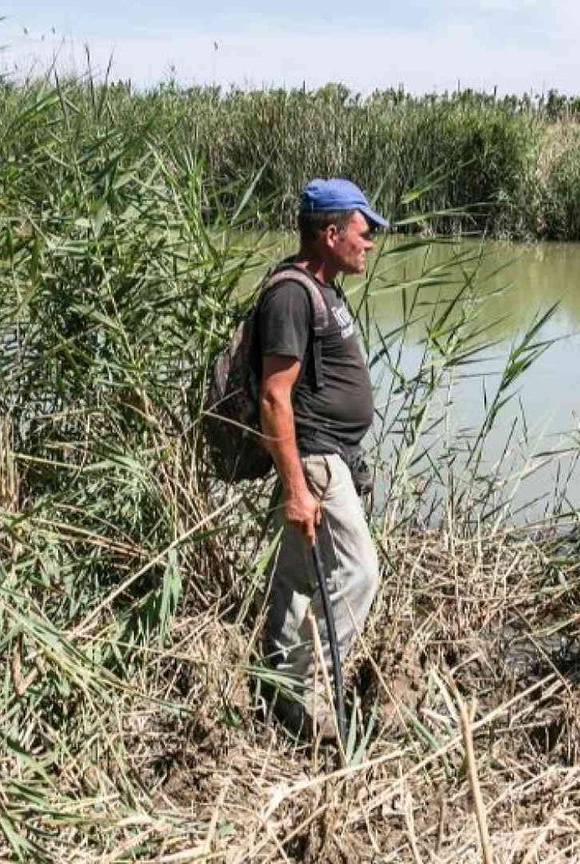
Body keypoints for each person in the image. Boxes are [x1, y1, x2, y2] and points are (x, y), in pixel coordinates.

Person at [254, 178, 386, 740]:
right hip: (315, 462)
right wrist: (295, 488)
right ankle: (308, 697)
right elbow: (273, 396)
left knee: (295, 583)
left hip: (330, 461)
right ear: (331, 233)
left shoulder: (322, 288)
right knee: (358, 573)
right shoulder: (291, 294)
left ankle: (274, 686)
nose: (370, 242)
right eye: (363, 231)